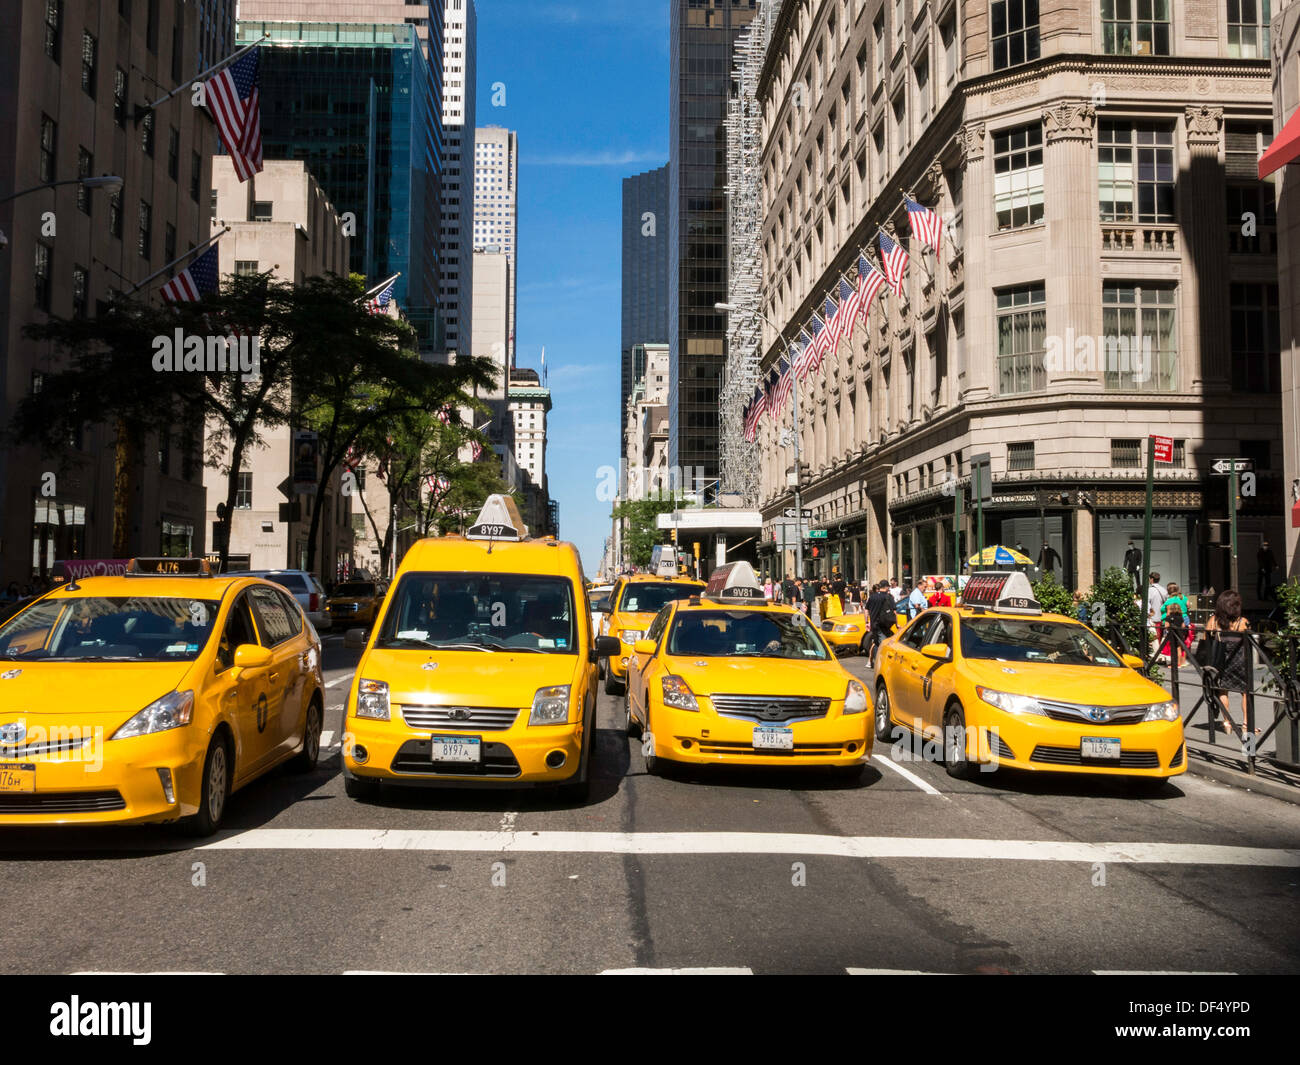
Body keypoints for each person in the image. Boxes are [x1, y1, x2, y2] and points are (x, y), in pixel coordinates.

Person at [1203, 589, 1256, 739]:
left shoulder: (1213, 620)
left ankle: (1227, 722)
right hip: (1240, 661)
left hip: (1222, 661)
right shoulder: (1242, 622)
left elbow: (1206, 639)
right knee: (1245, 691)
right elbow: (1250, 642)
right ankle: (1246, 724)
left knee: (1223, 690)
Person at [865, 580, 897, 665]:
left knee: (876, 643)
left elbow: (866, 610)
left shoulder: (872, 597)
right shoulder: (889, 597)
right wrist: (896, 624)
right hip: (883, 624)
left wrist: (866, 622)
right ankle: (881, 664)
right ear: (886, 587)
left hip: (874, 624)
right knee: (884, 645)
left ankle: (870, 661)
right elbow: (894, 612)